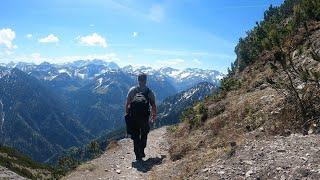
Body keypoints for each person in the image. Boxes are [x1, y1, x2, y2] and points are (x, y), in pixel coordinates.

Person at [125, 73, 157, 161]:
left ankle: (137, 154)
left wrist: (127, 114)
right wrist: (154, 116)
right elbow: (153, 105)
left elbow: (127, 103)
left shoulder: (132, 90)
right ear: (146, 80)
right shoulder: (149, 92)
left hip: (133, 117)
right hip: (144, 117)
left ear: (138, 80)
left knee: (135, 135)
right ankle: (142, 150)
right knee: (144, 134)